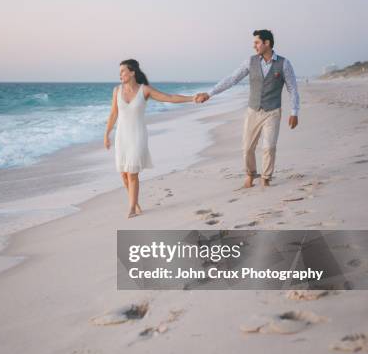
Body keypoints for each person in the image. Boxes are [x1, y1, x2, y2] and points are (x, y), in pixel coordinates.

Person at [194, 30, 300, 188]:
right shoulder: (250, 62)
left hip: (273, 111)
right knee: (247, 148)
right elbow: (232, 79)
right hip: (253, 111)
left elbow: (292, 88)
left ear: (267, 43)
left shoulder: (284, 63)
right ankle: (250, 174)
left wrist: (294, 112)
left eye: (257, 43)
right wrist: (210, 94)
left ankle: (266, 178)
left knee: (269, 147)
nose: (254, 46)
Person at [104, 59, 194, 217]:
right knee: (123, 173)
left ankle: (131, 208)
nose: (120, 75)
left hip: (137, 136)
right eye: (119, 73)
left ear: (132, 72)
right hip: (122, 137)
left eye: (123, 71)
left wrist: (192, 98)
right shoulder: (116, 90)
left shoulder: (144, 90)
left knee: (132, 172)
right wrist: (107, 134)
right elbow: (113, 114)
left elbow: (169, 97)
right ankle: (135, 202)